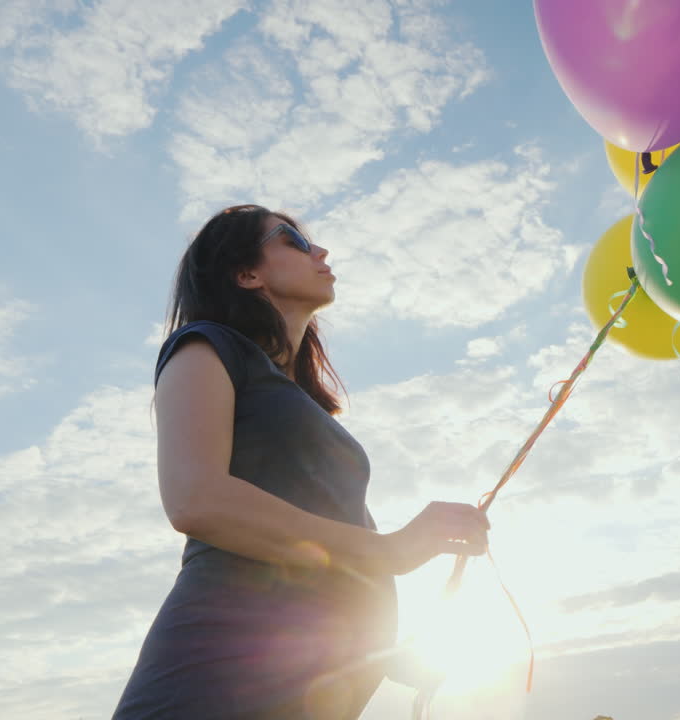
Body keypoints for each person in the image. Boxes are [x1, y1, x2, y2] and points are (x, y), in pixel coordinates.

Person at [113, 204, 490, 719]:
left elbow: (320, 561)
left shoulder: (302, 405)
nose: (321, 251)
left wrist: (383, 652)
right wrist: (393, 550)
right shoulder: (207, 346)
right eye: (291, 240)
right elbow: (196, 499)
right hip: (209, 682)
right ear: (246, 273)